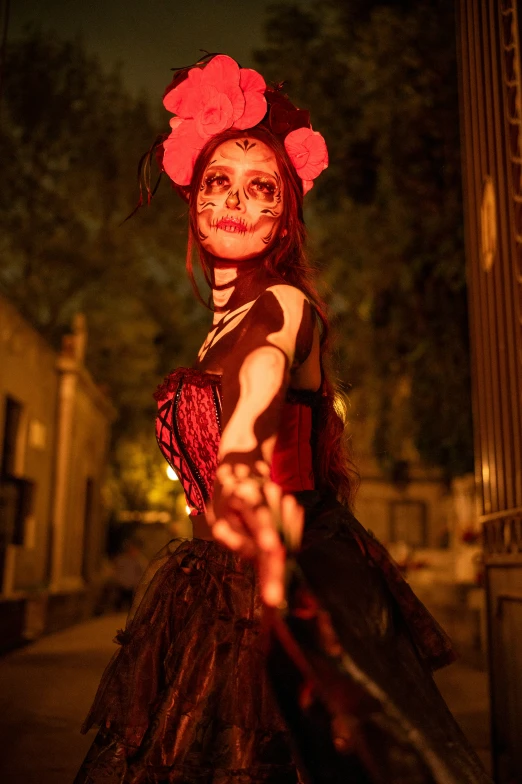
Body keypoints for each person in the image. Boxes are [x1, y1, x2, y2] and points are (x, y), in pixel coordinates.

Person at [74, 54, 491, 783]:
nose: (235, 200)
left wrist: (239, 452)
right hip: (210, 581)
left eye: (259, 187)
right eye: (219, 183)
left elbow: (265, 362)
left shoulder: (285, 304)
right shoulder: (214, 325)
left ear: (284, 213)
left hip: (291, 568)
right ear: (194, 197)